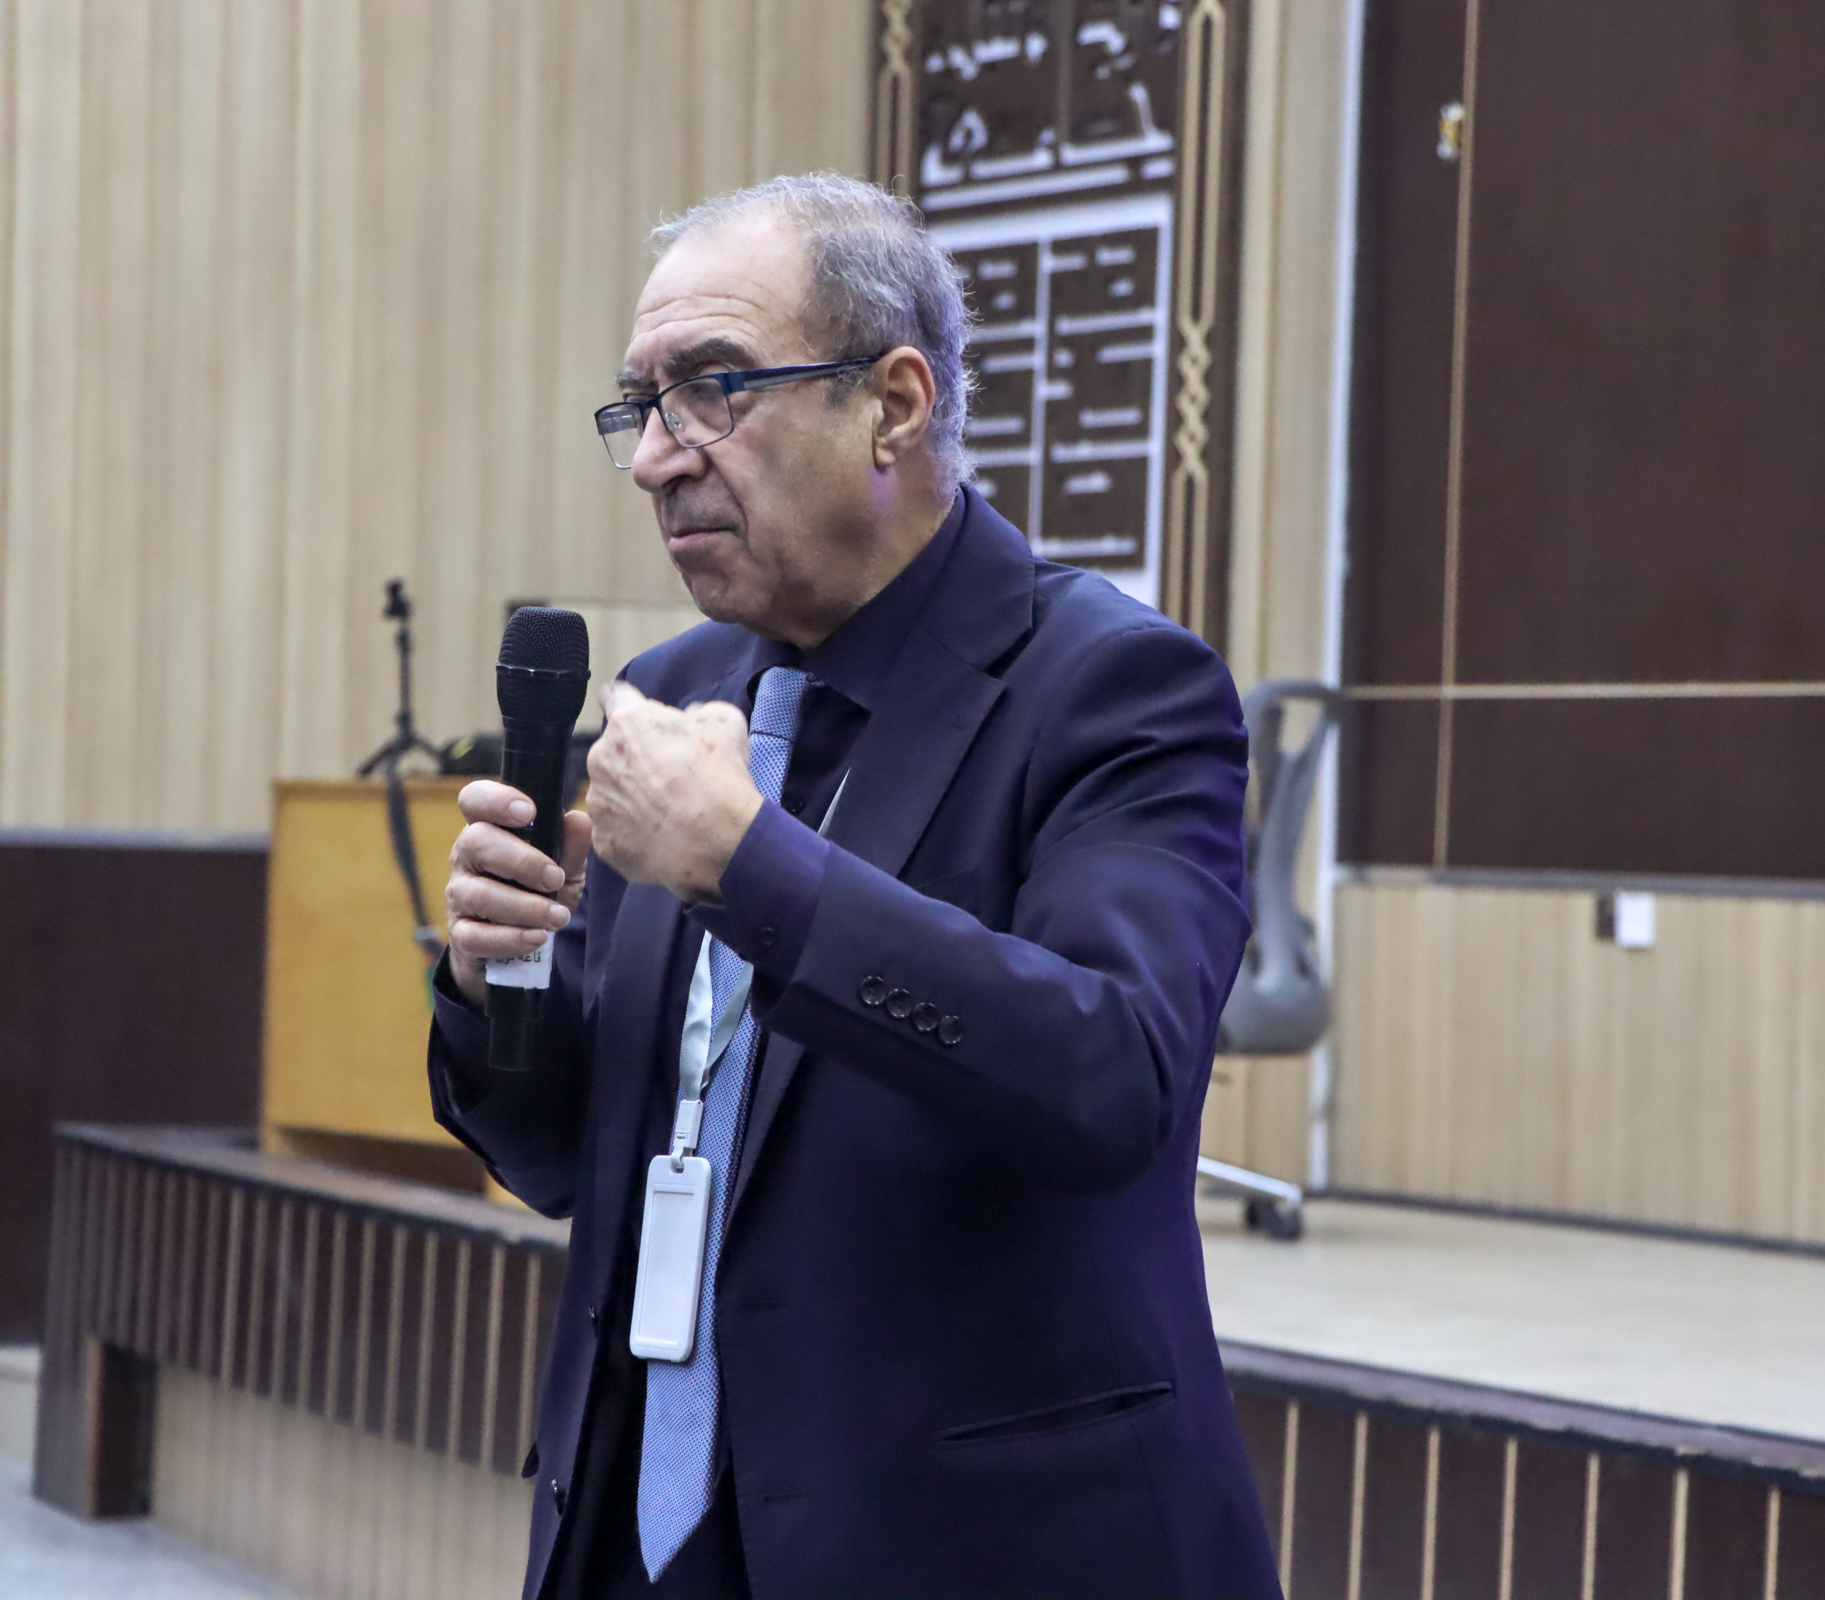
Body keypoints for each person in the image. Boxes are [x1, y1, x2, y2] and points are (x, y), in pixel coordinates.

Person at [430, 172, 1278, 1600]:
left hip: (966, 1550)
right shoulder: (670, 694)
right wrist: (492, 979)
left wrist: (748, 869)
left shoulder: (1113, 689)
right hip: (637, 1531)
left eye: (712, 389)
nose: (656, 459)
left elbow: (1115, 1077)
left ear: (892, 404)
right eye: (640, 405)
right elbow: (570, 1158)